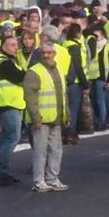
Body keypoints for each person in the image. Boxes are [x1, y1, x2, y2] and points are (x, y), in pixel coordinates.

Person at [26, 40, 69, 194]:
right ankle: (39, 181)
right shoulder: (34, 71)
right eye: (43, 53)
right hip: (42, 119)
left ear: (54, 54)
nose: (46, 55)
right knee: (40, 150)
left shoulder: (58, 69)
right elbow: (30, 97)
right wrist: (35, 117)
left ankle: (52, 178)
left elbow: (63, 95)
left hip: (56, 117)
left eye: (49, 53)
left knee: (56, 150)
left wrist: (66, 114)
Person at [0, 33, 30, 186]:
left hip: (11, 103)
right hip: (7, 103)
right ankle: (1, 169)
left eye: (16, 45)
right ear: (4, 47)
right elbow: (20, 77)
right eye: (12, 45)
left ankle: (1, 169)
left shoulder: (10, 61)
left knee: (7, 137)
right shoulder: (5, 63)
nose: (16, 48)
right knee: (13, 137)